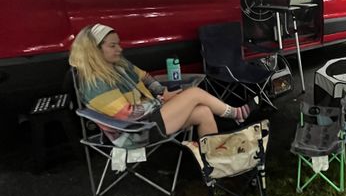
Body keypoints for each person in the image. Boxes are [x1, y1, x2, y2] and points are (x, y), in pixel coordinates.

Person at [69, 24, 252, 148]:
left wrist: (162, 91)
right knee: (194, 93)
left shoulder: (119, 66)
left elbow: (146, 77)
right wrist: (162, 100)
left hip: (150, 120)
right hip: (134, 133)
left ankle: (212, 162)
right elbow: (127, 115)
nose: (120, 49)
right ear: (94, 50)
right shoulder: (94, 83)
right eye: (112, 46)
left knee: (203, 111)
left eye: (118, 44)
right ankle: (236, 114)